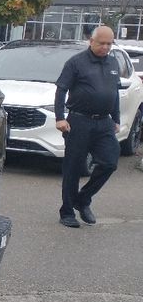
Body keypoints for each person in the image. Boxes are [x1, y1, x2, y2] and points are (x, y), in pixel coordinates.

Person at [54, 25, 121, 227]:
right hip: (79, 121)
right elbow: (61, 90)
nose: (105, 47)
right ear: (91, 41)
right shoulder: (76, 63)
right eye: (102, 43)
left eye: (109, 43)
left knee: (110, 162)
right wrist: (60, 117)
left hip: (104, 123)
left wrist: (116, 119)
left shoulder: (113, 62)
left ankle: (83, 199)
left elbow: (114, 92)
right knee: (73, 168)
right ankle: (67, 212)